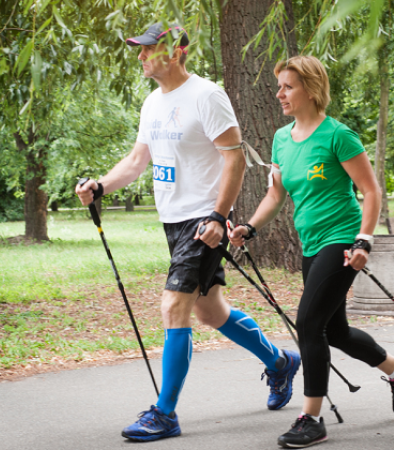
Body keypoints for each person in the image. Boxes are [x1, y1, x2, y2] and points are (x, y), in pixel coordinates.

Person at [75, 23, 301, 442]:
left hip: (203, 220)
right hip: (173, 220)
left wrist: (218, 216)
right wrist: (101, 186)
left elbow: (232, 160)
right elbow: (137, 160)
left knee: (173, 306)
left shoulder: (207, 95)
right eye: (139, 50)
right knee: (211, 312)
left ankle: (165, 413)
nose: (140, 57)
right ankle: (280, 362)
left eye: (148, 50)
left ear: (176, 51)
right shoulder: (152, 104)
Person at [229, 55, 394, 449]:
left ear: (311, 90)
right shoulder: (281, 138)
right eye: (279, 86)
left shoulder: (337, 136)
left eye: (288, 86)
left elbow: (371, 191)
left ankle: (311, 418)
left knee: (308, 323)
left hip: (343, 238)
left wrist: (364, 239)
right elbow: (276, 194)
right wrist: (249, 228)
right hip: (310, 243)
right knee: (335, 330)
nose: (279, 93)